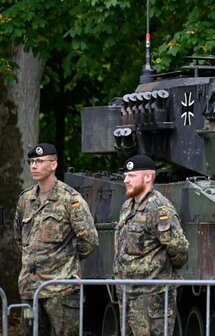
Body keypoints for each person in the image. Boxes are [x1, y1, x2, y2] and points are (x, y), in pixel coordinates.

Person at [14, 142, 99, 336]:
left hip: (60, 289)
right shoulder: (25, 200)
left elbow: (89, 240)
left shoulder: (70, 199)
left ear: (53, 165)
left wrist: (64, 261)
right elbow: (20, 238)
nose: (34, 165)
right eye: (32, 161)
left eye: (40, 161)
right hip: (29, 288)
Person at [114, 154, 189, 336]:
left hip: (152, 296)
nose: (126, 180)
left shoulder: (159, 208)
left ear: (148, 177)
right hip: (127, 294)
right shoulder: (127, 207)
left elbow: (179, 249)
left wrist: (160, 273)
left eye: (131, 176)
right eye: (125, 176)